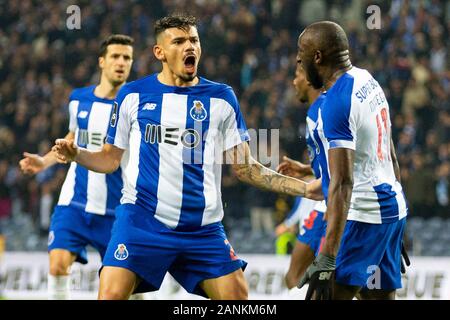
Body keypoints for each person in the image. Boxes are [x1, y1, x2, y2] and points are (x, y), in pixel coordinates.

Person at [52, 14, 321, 300]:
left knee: (239, 301)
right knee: (110, 296)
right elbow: (109, 160)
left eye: (193, 40)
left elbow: (246, 169)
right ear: (160, 52)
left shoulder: (221, 98)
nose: (188, 47)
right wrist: (77, 154)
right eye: (178, 41)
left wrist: (305, 189)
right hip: (142, 222)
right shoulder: (132, 95)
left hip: (201, 230)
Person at [296, 21, 408, 300]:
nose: (299, 59)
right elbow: (388, 153)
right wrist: (392, 228)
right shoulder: (367, 79)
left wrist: (327, 258)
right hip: (390, 209)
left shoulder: (336, 101)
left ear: (318, 57)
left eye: (302, 52)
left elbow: (342, 182)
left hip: (363, 216)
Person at [19, 34, 134, 299]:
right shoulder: (78, 99)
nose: (121, 62)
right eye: (115, 56)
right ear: (102, 62)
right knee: (58, 265)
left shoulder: (135, 106)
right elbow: (72, 139)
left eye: (127, 58)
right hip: (74, 202)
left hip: (116, 212)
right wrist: (44, 161)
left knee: (128, 289)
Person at [275, 64, 328, 289]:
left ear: (309, 80)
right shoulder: (324, 108)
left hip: (333, 207)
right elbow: (335, 162)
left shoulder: (324, 111)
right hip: (350, 204)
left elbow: (343, 166)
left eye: (297, 75)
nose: (293, 82)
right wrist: (307, 169)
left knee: (294, 278)